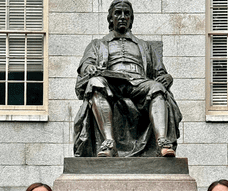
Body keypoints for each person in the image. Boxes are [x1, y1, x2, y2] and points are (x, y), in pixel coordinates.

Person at [74, 0, 182, 157]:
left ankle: (162, 143)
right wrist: (89, 68)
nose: (123, 16)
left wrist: (167, 77)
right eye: (118, 13)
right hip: (110, 82)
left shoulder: (145, 46)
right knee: (94, 82)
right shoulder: (98, 44)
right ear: (110, 18)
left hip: (139, 83)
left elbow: (160, 72)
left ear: (131, 19)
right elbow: (86, 64)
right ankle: (109, 144)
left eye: (127, 14)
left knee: (157, 88)